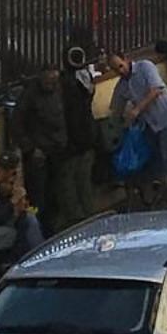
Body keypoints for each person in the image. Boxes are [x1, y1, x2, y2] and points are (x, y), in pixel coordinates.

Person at [108, 50, 167, 197]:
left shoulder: (145, 67)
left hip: (166, 116)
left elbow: (155, 90)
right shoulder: (122, 86)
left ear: (126, 59)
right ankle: (157, 192)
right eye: (116, 70)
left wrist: (137, 109)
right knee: (153, 160)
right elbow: (116, 108)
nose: (120, 71)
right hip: (149, 124)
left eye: (121, 66)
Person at [9, 62, 67, 220]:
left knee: (55, 195)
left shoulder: (58, 90)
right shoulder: (29, 95)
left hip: (56, 151)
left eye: (54, 82)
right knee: (37, 199)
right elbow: (16, 124)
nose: (51, 85)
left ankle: (52, 227)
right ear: (41, 77)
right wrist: (31, 148)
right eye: (48, 82)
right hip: (37, 156)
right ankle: (36, 227)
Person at [54, 46, 100, 230]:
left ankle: (75, 221)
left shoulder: (65, 83)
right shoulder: (87, 79)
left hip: (71, 141)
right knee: (84, 182)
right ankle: (89, 217)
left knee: (69, 184)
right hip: (87, 137)